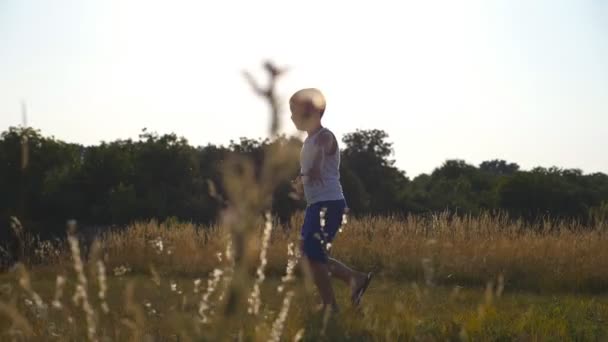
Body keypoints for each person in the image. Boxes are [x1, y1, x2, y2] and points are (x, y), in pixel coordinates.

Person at [289, 88, 372, 313]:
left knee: (312, 254)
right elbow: (310, 169)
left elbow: (320, 158)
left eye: (295, 111)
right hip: (317, 204)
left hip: (329, 203)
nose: (292, 117)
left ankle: (332, 304)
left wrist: (309, 172)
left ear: (312, 112)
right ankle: (354, 280)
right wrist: (300, 181)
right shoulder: (308, 142)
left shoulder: (325, 136)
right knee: (309, 256)